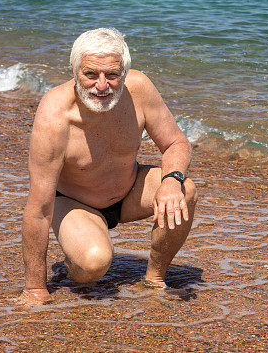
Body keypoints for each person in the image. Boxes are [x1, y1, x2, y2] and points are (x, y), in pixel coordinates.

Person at [17, 28, 196, 306]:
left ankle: (155, 278)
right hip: (74, 202)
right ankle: (74, 262)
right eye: (91, 74)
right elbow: (39, 209)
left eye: (112, 75)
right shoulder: (55, 114)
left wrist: (171, 181)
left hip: (128, 189)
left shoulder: (139, 89)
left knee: (185, 190)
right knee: (93, 265)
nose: (102, 86)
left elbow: (175, 142)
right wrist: (35, 289)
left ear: (124, 72)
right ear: (75, 70)